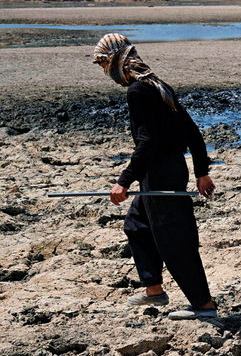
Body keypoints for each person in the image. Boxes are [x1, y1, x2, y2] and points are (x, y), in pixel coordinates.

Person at [92, 33, 218, 321]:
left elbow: (147, 142)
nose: (104, 71)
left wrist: (123, 180)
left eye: (103, 64)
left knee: (175, 241)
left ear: (116, 60)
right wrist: (200, 173)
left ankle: (204, 306)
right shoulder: (157, 84)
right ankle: (154, 289)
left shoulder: (139, 90)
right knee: (136, 225)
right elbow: (192, 132)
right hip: (167, 170)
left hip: (160, 173)